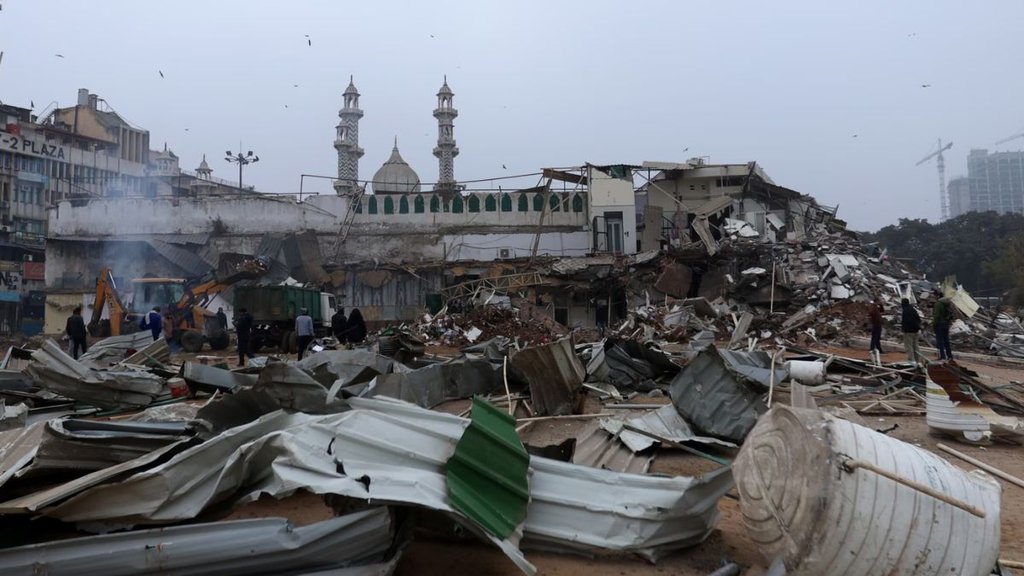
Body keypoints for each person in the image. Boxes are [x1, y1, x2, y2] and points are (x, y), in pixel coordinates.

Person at [933, 291, 954, 361]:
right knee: (946, 340)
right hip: (946, 324)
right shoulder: (947, 303)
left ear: (937, 296)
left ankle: (942, 356)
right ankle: (950, 356)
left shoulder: (938, 304)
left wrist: (934, 324)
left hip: (939, 324)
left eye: (934, 296)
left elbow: (936, 316)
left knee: (940, 341)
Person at [900, 298, 922, 365]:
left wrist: (903, 329)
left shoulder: (905, 311)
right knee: (915, 345)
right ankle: (917, 360)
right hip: (916, 330)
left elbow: (905, 321)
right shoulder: (913, 309)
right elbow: (918, 319)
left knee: (909, 346)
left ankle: (911, 360)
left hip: (908, 331)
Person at [867, 298, 884, 365]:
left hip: (877, 324)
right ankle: (872, 349)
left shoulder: (876, 307)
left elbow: (882, 310)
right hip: (876, 324)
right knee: (875, 337)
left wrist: (880, 305)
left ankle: (878, 349)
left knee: (876, 337)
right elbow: (871, 314)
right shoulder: (873, 307)